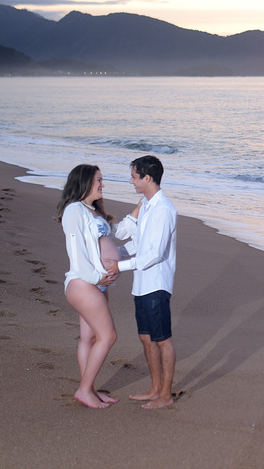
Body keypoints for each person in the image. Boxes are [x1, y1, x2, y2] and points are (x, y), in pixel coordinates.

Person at [110, 155, 178, 409]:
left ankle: (166, 396)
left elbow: (155, 253)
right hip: (141, 283)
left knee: (162, 339)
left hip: (157, 284)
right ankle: (155, 389)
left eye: (134, 176)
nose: (131, 181)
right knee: (146, 338)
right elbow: (137, 242)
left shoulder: (164, 209)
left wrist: (119, 265)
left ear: (147, 178)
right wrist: (117, 255)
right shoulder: (148, 206)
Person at [58, 164, 120, 409]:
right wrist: (96, 277)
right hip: (84, 283)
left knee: (89, 337)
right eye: (98, 180)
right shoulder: (74, 210)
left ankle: (89, 388)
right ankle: (84, 390)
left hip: (96, 285)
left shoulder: (92, 211)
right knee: (108, 335)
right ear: (84, 182)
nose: (102, 184)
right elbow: (76, 252)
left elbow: (102, 246)